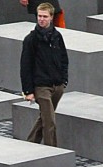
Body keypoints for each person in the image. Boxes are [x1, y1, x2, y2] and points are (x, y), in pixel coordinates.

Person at [20, 2, 68, 147]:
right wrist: (28, 91)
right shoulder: (31, 39)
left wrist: (64, 81)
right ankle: (51, 151)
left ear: (51, 17)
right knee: (49, 122)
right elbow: (25, 66)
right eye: (39, 16)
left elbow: (64, 58)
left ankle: (30, 144)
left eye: (45, 16)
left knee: (45, 118)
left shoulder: (57, 36)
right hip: (41, 87)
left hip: (57, 85)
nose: (41, 19)